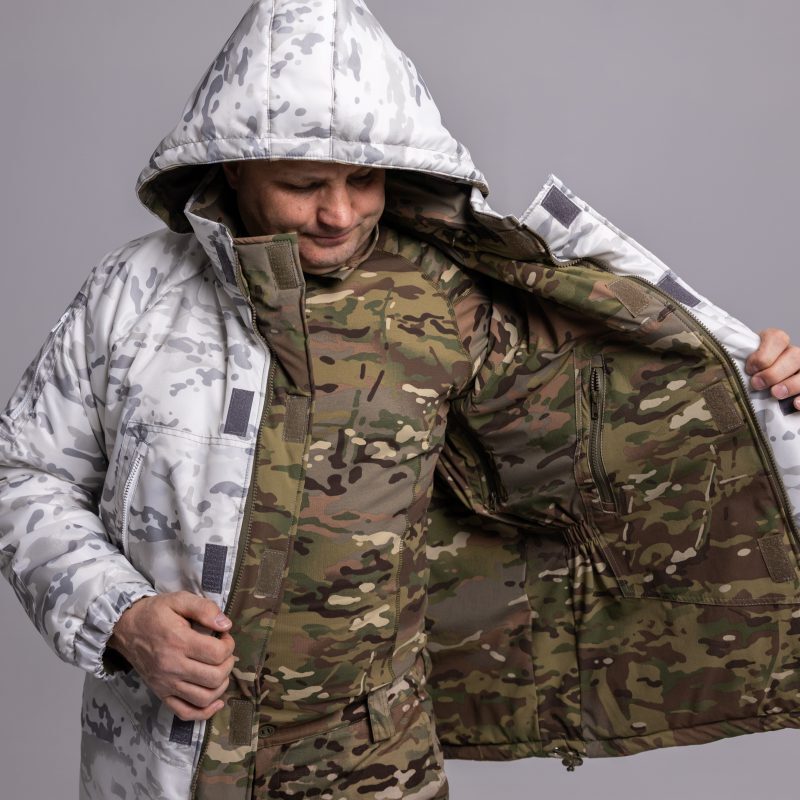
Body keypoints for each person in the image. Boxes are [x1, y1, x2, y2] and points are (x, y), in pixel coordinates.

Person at [1, 1, 799, 799]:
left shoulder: (444, 293)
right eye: (303, 184)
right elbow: (24, 474)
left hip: (379, 769)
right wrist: (120, 616)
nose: (339, 214)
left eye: (364, 179)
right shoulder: (131, 294)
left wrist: (766, 392)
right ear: (233, 166)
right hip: (165, 768)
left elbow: (637, 435)